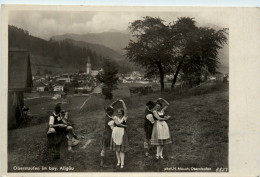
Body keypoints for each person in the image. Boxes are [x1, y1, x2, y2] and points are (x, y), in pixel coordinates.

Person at [100, 99, 119, 167]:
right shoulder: (111, 120)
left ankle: (102, 162)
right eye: (113, 111)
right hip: (109, 135)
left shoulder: (107, 115)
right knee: (115, 145)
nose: (114, 111)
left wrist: (115, 102)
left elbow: (111, 106)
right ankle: (118, 160)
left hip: (105, 134)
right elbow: (114, 129)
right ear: (112, 112)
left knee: (104, 148)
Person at [110, 99, 128, 169]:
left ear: (122, 113)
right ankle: (118, 161)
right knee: (117, 149)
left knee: (122, 150)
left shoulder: (124, 118)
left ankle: (122, 163)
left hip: (122, 133)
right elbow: (110, 109)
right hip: (115, 133)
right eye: (117, 112)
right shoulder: (115, 117)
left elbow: (125, 109)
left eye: (120, 112)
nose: (118, 113)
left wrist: (122, 102)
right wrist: (114, 102)